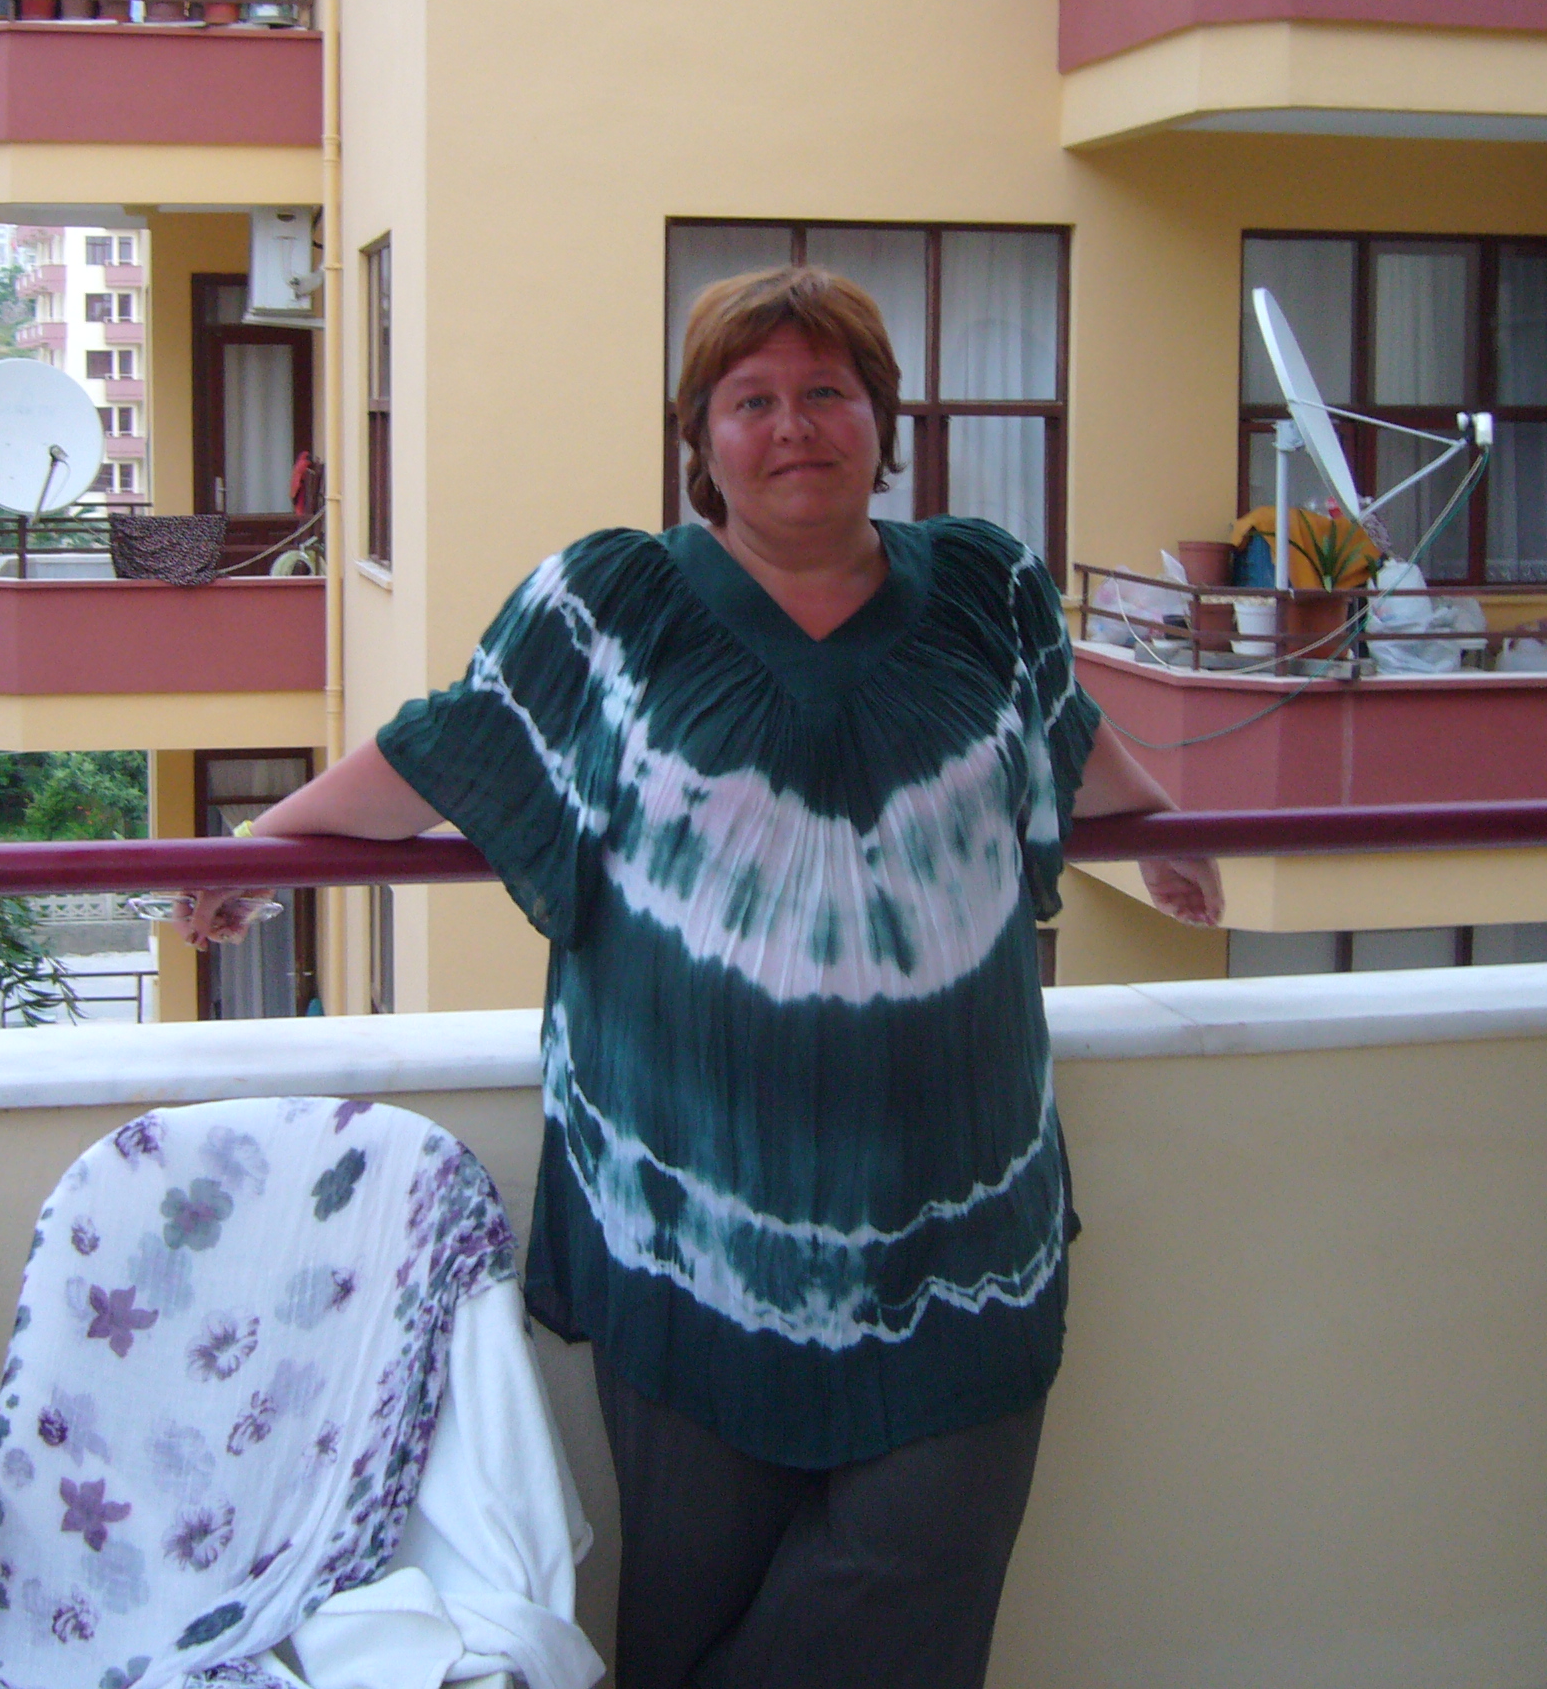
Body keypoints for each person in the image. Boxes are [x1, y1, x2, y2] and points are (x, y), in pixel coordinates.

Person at [177, 265, 1220, 1689]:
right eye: (752, 400)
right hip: (687, 1223)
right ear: (702, 436)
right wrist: (264, 848)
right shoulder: (615, 603)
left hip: (960, 1227)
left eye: (827, 392)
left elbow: (1061, 730)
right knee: (688, 1603)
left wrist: (1165, 831)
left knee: (923, 1577)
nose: (794, 426)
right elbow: (455, 746)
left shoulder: (991, 586)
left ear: (881, 419)